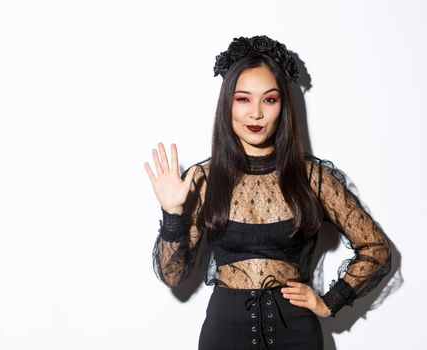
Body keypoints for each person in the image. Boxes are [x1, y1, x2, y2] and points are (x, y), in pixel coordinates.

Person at [144, 35, 392, 350]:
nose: (256, 114)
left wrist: (330, 301)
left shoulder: (313, 177)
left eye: (269, 99)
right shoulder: (203, 179)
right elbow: (172, 275)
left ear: (283, 106)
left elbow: (376, 249)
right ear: (227, 104)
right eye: (243, 99)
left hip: (297, 335)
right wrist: (173, 215)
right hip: (225, 334)